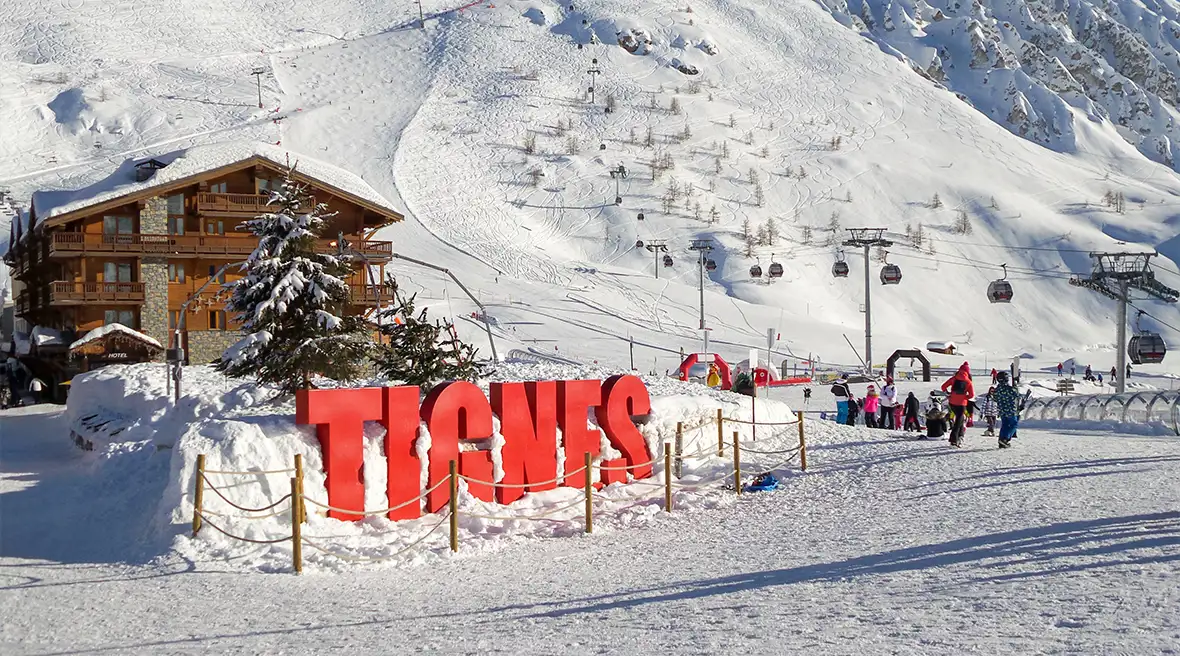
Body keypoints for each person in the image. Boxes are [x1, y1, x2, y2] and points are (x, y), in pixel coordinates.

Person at [940, 362, 975, 447]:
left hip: (952, 403)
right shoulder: (968, 381)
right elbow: (971, 395)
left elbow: (943, 387)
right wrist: (964, 397)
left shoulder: (954, 378)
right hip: (961, 404)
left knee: (960, 420)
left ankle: (960, 436)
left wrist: (949, 394)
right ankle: (954, 438)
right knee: (958, 421)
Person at [992, 371, 1021, 448]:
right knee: (1013, 424)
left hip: (1002, 410)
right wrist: (1015, 386)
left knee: (1005, 425)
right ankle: (1005, 439)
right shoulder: (1009, 389)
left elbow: (994, 398)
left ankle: (1001, 440)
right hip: (1011, 410)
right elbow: (1017, 395)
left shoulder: (997, 390)